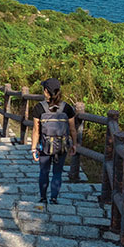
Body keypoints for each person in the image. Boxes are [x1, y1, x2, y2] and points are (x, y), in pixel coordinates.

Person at [30, 77, 77, 205]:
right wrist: (74, 144)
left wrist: (33, 148)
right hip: (61, 145)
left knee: (44, 171)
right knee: (57, 172)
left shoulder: (39, 108)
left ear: (46, 91)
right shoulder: (67, 108)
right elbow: (72, 129)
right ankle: (54, 198)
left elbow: (36, 130)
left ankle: (43, 198)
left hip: (44, 146)